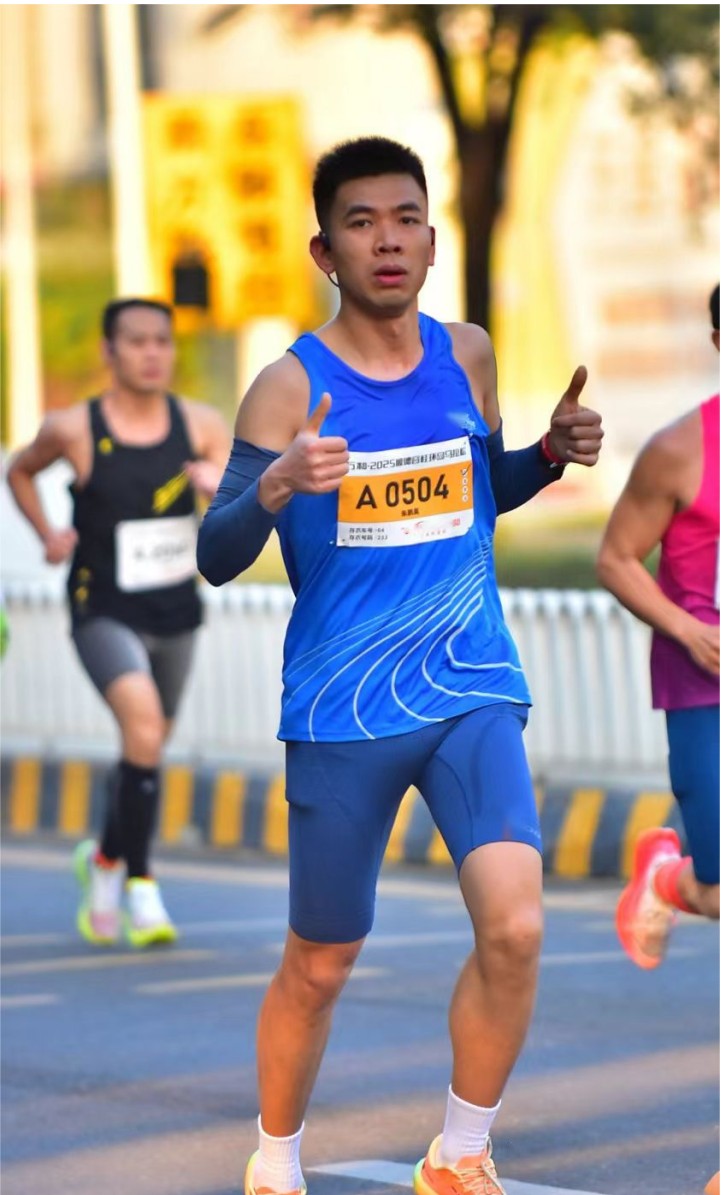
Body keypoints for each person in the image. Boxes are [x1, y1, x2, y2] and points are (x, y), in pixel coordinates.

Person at [197, 136, 603, 1195]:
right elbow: (216, 551)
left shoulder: (467, 354)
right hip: (343, 707)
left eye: (406, 219)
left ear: (431, 239)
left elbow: (480, 489)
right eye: (362, 222)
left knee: (516, 924)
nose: (388, 239)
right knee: (321, 961)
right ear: (324, 251)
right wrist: (275, 484)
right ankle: (275, 1155)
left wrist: (546, 455)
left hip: (470, 681)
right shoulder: (288, 388)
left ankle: (459, 1152)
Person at [7, 297, 230, 949]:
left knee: (147, 745)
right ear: (109, 351)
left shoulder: (202, 425)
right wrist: (48, 533)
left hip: (176, 610)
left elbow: (245, 501)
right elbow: (19, 471)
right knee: (144, 726)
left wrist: (219, 490)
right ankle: (141, 884)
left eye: (162, 340)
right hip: (101, 609)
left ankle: (103, 858)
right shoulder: (74, 427)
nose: (152, 353)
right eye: (136, 341)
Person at [597, 282, 720, 975]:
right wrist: (688, 629)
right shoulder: (681, 448)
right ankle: (667, 878)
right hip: (706, 685)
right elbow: (615, 557)